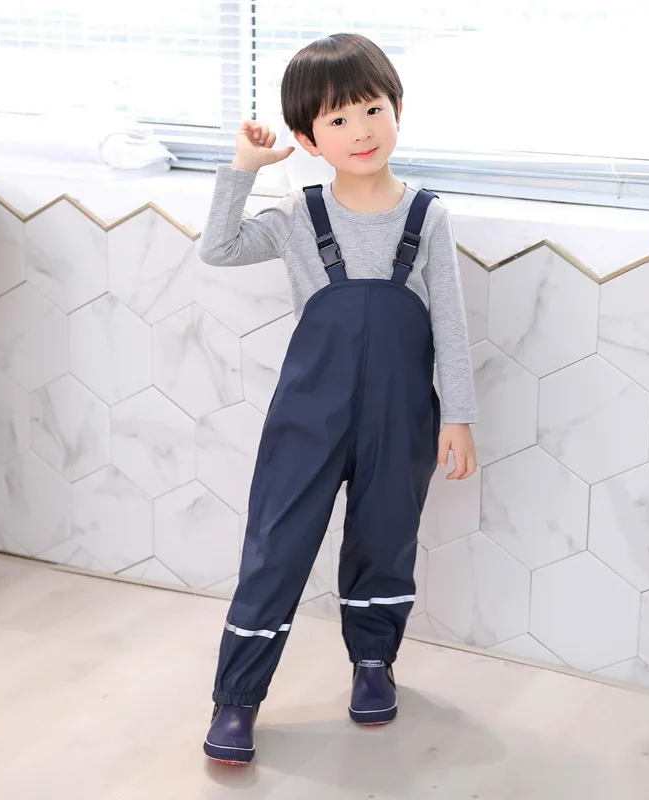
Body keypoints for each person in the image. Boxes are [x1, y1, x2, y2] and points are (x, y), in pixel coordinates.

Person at [198, 32, 478, 765]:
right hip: (308, 417)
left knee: (385, 540)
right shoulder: (299, 215)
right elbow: (218, 248)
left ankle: (374, 664)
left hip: (400, 418)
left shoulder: (427, 216)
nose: (361, 131)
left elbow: (450, 323)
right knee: (276, 546)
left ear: (398, 111)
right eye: (339, 119)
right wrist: (243, 170)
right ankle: (237, 699)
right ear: (307, 138)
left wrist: (458, 416)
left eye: (373, 109)